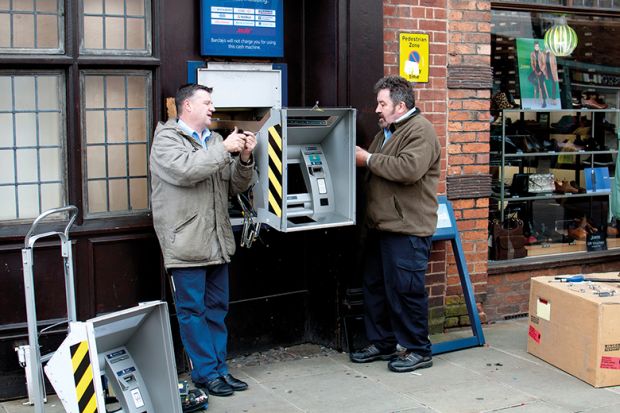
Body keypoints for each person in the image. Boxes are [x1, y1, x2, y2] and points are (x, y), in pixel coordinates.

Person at [149, 83, 256, 397]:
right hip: (185, 243)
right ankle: (206, 374)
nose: (212, 108)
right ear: (187, 107)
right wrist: (224, 150)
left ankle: (219, 370)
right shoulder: (166, 139)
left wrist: (245, 158)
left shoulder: (215, 139)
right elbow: (185, 171)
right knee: (193, 312)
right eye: (207, 103)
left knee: (216, 309)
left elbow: (234, 186)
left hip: (216, 242)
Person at [351, 75, 441, 372]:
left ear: (400, 106)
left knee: (406, 290)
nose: (377, 109)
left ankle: (418, 349)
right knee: (375, 287)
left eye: (382, 103)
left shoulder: (421, 131)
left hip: (407, 229)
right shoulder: (387, 130)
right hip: (381, 227)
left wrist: (368, 159)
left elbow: (409, 169)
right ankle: (383, 342)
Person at [529, 41, 548, 108]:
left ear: (539, 47)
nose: (536, 47)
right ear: (534, 46)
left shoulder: (542, 53)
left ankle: (544, 102)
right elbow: (532, 63)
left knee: (542, 85)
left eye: (537, 46)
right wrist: (535, 70)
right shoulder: (532, 53)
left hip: (542, 71)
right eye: (535, 46)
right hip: (536, 70)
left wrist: (540, 71)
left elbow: (544, 64)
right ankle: (537, 85)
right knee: (530, 78)